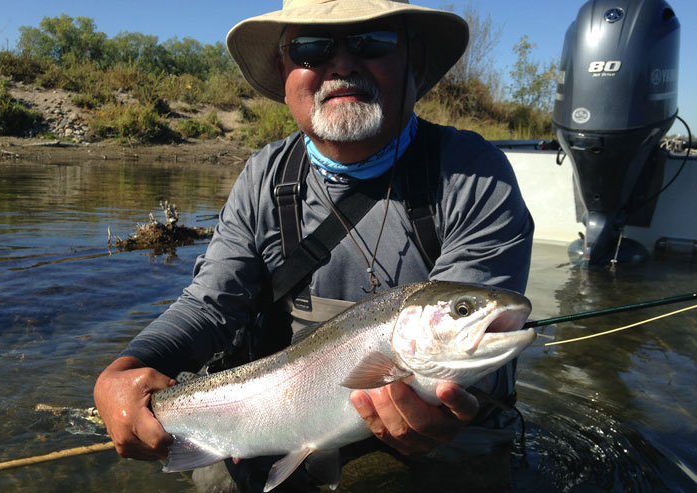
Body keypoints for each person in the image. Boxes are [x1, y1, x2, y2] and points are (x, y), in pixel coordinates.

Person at [94, 0, 534, 490]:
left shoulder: (472, 176)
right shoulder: (264, 177)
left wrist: (446, 402)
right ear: (284, 69)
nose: (343, 63)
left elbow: (470, 355)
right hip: (283, 411)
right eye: (313, 46)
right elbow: (209, 306)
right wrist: (127, 367)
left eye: (372, 41)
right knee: (216, 479)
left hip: (439, 425)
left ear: (414, 60)